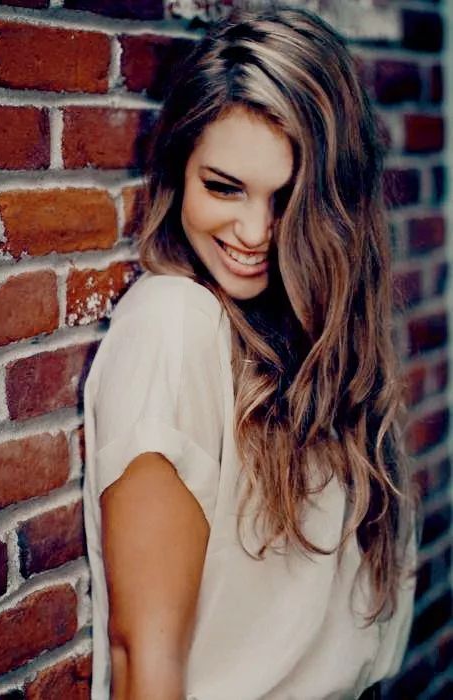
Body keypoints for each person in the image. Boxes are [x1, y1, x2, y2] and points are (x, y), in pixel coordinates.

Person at [83, 5, 419, 699]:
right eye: (224, 187)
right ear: (179, 170)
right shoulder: (175, 328)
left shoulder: (331, 347)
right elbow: (145, 661)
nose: (255, 232)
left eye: (289, 198)